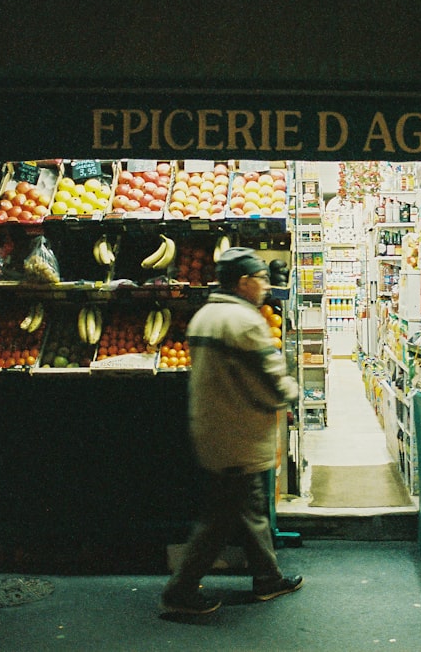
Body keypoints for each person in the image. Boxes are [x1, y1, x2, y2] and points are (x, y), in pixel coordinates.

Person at [161, 247, 303, 615]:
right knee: (219, 519)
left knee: (249, 507)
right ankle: (181, 590)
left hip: (212, 430)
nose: (266, 286)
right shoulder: (245, 322)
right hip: (238, 435)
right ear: (244, 282)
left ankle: (268, 578)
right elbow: (269, 379)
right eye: (261, 279)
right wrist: (291, 394)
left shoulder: (205, 316)